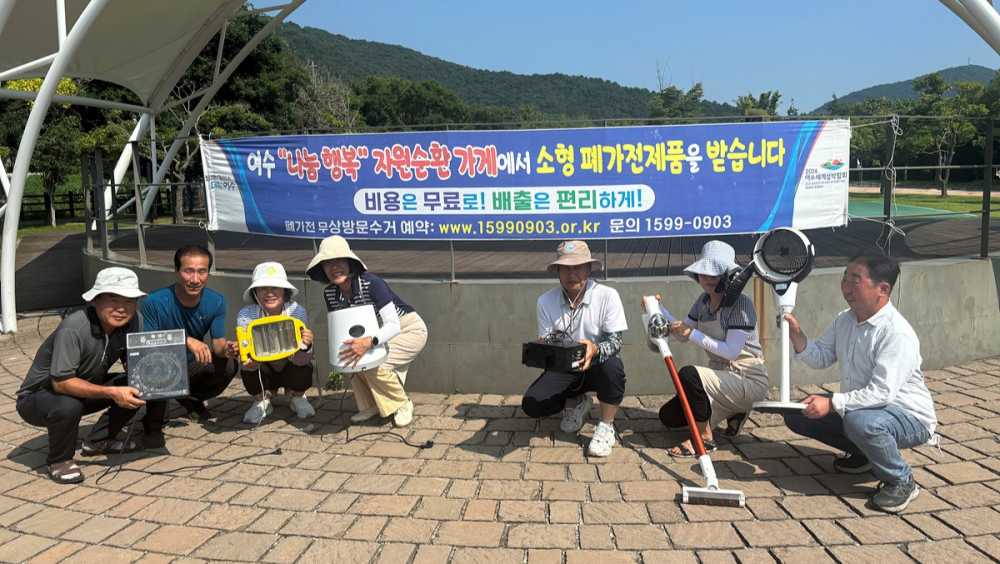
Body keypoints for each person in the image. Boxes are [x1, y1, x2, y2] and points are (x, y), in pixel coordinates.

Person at [782, 255, 937, 513]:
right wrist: (797, 335)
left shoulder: (896, 333)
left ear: (883, 289)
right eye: (845, 277)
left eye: (856, 280)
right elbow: (820, 357)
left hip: (909, 417)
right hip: (866, 410)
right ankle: (866, 454)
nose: (846, 286)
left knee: (859, 422)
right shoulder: (845, 319)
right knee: (799, 413)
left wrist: (832, 403)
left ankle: (901, 480)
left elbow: (882, 393)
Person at [16, 267, 155, 484]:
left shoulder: (135, 319)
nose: (121, 308)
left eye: (129, 300)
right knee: (67, 405)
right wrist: (112, 392)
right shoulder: (74, 327)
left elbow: (133, 360)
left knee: (140, 384)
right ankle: (59, 460)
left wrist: (146, 378)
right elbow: (61, 383)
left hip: (85, 387)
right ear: (95, 300)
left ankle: (99, 441)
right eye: (113, 299)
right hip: (40, 396)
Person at [652, 240, 768, 456]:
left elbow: (731, 352)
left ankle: (705, 438)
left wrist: (693, 333)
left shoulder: (742, 305)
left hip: (747, 378)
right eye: (704, 272)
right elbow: (682, 333)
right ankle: (735, 410)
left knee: (689, 375)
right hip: (719, 378)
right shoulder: (702, 301)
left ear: (728, 276)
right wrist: (657, 308)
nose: (708, 278)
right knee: (668, 416)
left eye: (715, 273)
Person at [521, 240, 629, 458]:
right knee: (532, 405)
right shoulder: (545, 301)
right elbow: (548, 340)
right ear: (558, 272)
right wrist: (543, 349)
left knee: (613, 367)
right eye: (566, 268)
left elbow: (616, 342)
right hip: (565, 368)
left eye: (578, 267)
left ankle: (606, 425)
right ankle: (578, 402)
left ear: (589, 269)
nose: (572, 274)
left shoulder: (608, 295)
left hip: (599, 364)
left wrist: (594, 348)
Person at [307, 236, 427, 427]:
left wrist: (368, 343)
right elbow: (341, 328)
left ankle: (402, 403)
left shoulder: (372, 283)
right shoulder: (330, 293)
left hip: (407, 329)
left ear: (350, 263)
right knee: (351, 358)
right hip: (374, 335)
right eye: (327, 263)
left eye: (339, 261)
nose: (334, 267)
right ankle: (370, 405)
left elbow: (393, 325)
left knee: (375, 364)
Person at [141, 245, 238, 423]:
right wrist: (184, 340)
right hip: (161, 364)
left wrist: (228, 349)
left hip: (192, 365)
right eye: (188, 271)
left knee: (229, 364)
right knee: (155, 429)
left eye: (202, 272)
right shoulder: (153, 301)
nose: (195, 279)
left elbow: (218, 344)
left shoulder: (216, 301)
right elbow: (147, 346)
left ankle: (191, 399)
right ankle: (153, 423)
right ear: (176, 271)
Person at [237, 262, 316, 424]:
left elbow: (305, 357)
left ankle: (297, 396)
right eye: (263, 288)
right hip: (263, 367)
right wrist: (247, 361)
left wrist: (306, 345)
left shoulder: (297, 311)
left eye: (275, 288)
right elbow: (245, 355)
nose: (269, 293)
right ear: (255, 293)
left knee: (305, 366)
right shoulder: (246, 314)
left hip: (290, 363)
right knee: (247, 369)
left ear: (284, 291)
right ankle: (262, 399)